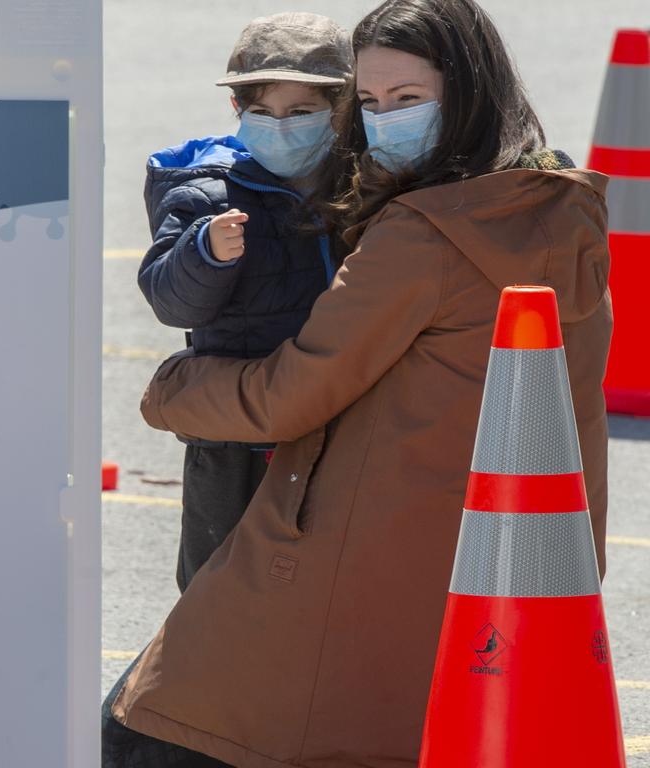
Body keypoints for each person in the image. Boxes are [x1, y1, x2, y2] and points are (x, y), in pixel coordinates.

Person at [106, 0, 612, 766]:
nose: (384, 122)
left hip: (361, 562)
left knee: (146, 724)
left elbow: (292, 393)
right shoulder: (560, 212)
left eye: (407, 100)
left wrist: (172, 388)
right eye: (369, 103)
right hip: (523, 570)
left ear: (470, 91)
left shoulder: (422, 235)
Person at [138, 12, 352, 593]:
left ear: (340, 110)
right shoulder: (206, 192)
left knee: (319, 583)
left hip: (335, 429)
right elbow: (170, 300)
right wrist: (203, 253)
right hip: (233, 439)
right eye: (262, 112)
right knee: (219, 588)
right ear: (238, 112)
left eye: (301, 112)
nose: (280, 127)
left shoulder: (360, 187)